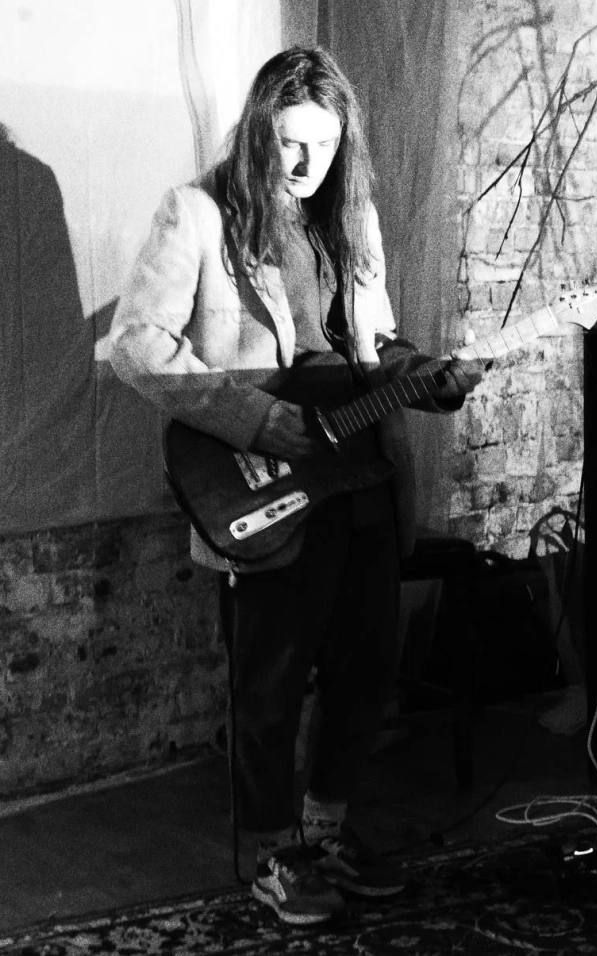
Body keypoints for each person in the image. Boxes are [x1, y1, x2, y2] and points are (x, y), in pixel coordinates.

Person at [109, 46, 485, 926]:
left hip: (360, 483)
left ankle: (328, 832)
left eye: (325, 143)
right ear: (256, 133)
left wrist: (424, 376)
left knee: (366, 671)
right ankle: (274, 853)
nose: (307, 163)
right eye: (288, 142)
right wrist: (253, 419)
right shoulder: (198, 212)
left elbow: (373, 346)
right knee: (270, 684)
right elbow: (136, 344)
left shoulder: (352, 219)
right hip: (264, 489)